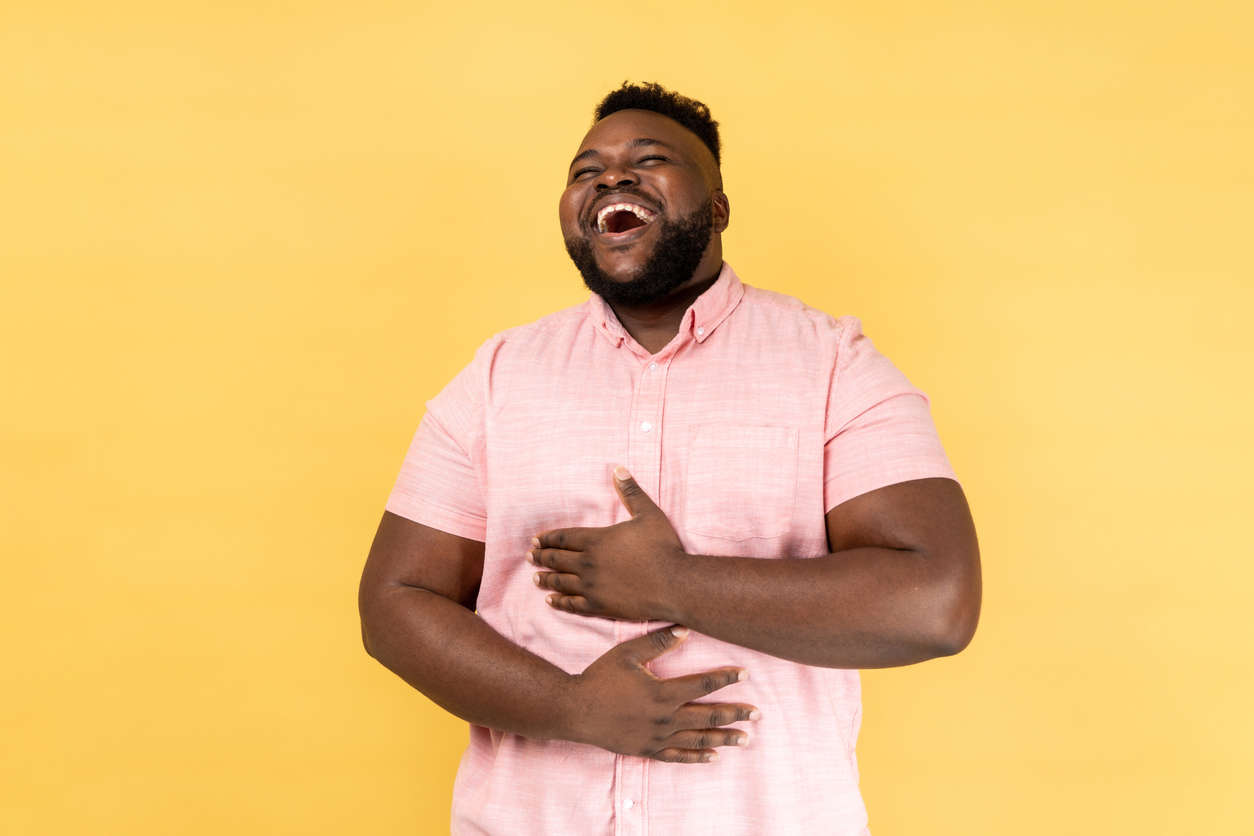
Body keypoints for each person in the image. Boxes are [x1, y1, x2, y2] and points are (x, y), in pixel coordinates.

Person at [359, 81, 981, 836]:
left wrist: (669, 582)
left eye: (648, 159)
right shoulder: (497, 376)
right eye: (586, 170)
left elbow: (935, 602)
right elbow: (394, 601)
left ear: (718, 208)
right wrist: (567, 707)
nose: (611, 177)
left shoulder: (832, 364)